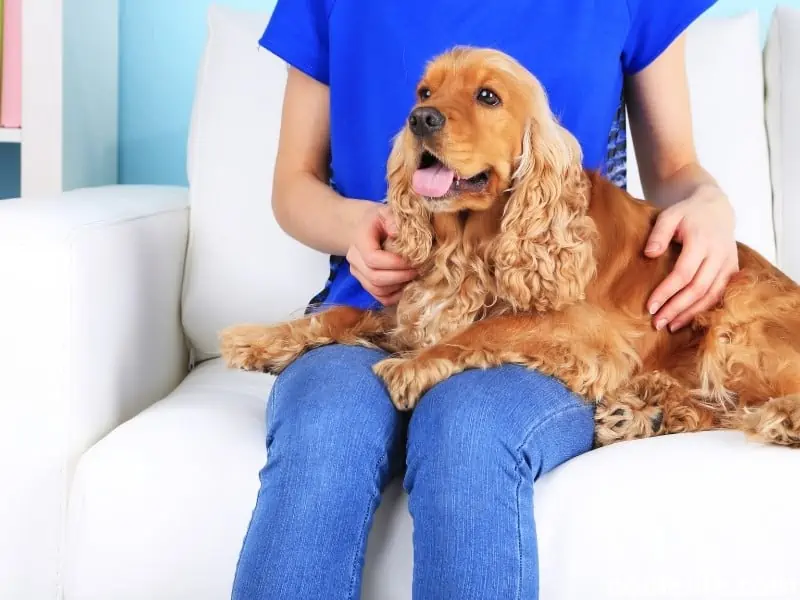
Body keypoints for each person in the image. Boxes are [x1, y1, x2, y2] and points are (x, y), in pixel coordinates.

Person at [230, 1, 736, 598]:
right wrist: (352, 226)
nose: (430, 113)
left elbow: (676, 167)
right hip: (388, 310)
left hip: (548, 317)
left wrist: (709, 202)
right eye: (427, 94)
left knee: (467, 430)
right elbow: (294, 183)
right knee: (325, 425)